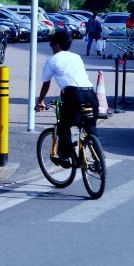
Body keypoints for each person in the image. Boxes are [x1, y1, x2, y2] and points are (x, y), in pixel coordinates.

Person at [34, 30, 98, 166]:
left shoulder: (52, 60)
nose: (51, 47)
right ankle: (96, 157)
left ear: (56, 45)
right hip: (91, 94)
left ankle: (65, 157)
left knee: (63, 126)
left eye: (51, 44)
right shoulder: (76, 57)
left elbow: (46, 85)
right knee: (89, 125)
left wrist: (40, 102)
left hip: (74, 95)